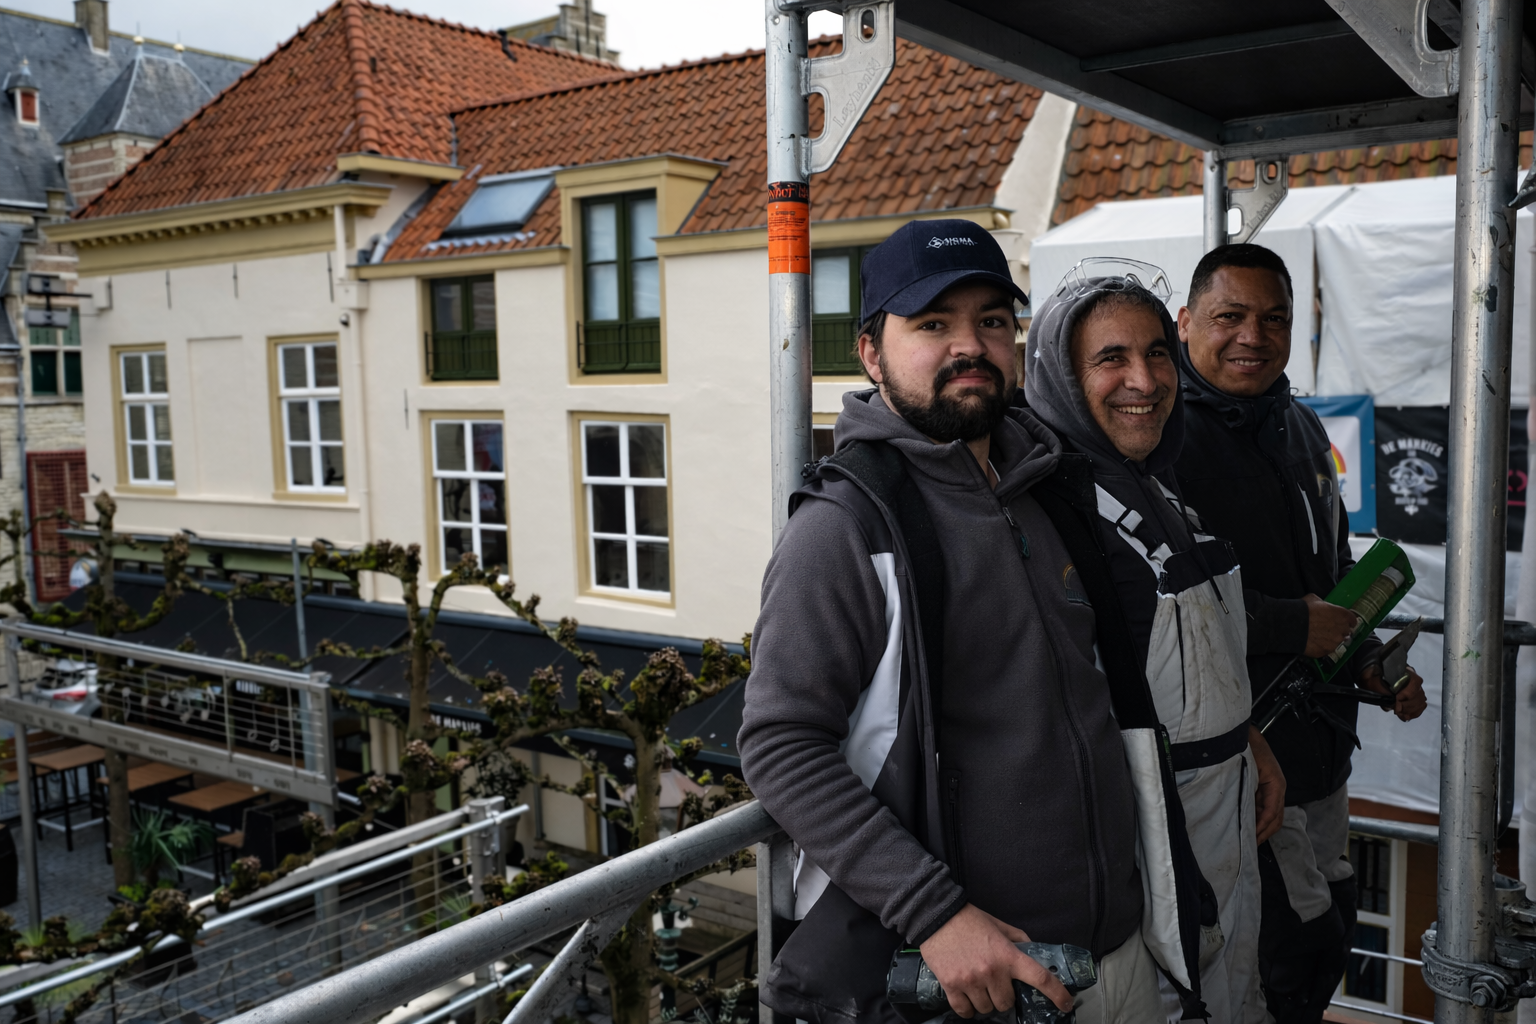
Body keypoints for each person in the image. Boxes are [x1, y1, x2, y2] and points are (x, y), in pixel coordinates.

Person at [740, 219, 1208, 1024]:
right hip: (979, 981)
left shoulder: (1046, 488)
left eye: (992, 320)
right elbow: (780, 744)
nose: (971, 345)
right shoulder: (845, 527)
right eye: (932, 324)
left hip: (1120, 951)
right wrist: (935, 914)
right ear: (869, 353)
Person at [1170, 243, 1429, 1024]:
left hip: (1323, 749)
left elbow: (1336, 578)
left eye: (1274, 318)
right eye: (1231, 316)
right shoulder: (1159, 442)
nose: (1254, 334)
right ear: (1186, 323)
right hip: (1237, 758)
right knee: (1287, 952)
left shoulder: (1304, 430)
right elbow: (1153, 608)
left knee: (1333, 918)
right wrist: (1292, 626)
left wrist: (1368, 666)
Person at [1023, 262, 1285, 1023]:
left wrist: (1247, 740)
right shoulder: (1052, 515)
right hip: (1145, 848)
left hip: (1222, 812)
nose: (1144, 379)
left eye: (1157, 353)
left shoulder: (1154, 484)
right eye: (1110, 359)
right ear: (1061, 377)